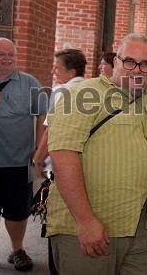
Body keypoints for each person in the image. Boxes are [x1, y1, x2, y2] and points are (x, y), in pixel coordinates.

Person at [45, 33, 147, 274]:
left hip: (138, 228)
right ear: (115, 62)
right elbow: (62, 156)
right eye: (129, 61)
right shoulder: (84, 95)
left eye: (145, 64)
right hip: (90, 228)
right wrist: (85, 221)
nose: (137, 70)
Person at [32, 48, 87, 275]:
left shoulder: (62, 91)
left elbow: (51, 130)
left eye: (57, 67)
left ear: (71, 71)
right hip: (82, 165)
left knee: (55, 223)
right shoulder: (89, 88)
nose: (53, 71)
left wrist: (37, 159)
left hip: (59, 167)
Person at [0, 37, 48, 272]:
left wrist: (38, 148)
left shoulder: (30, 83)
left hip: (18, 161)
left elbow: (43, 116)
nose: (7, 58)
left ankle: (17, 250)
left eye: (11, 54)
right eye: (1, 54)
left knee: (18, 212)